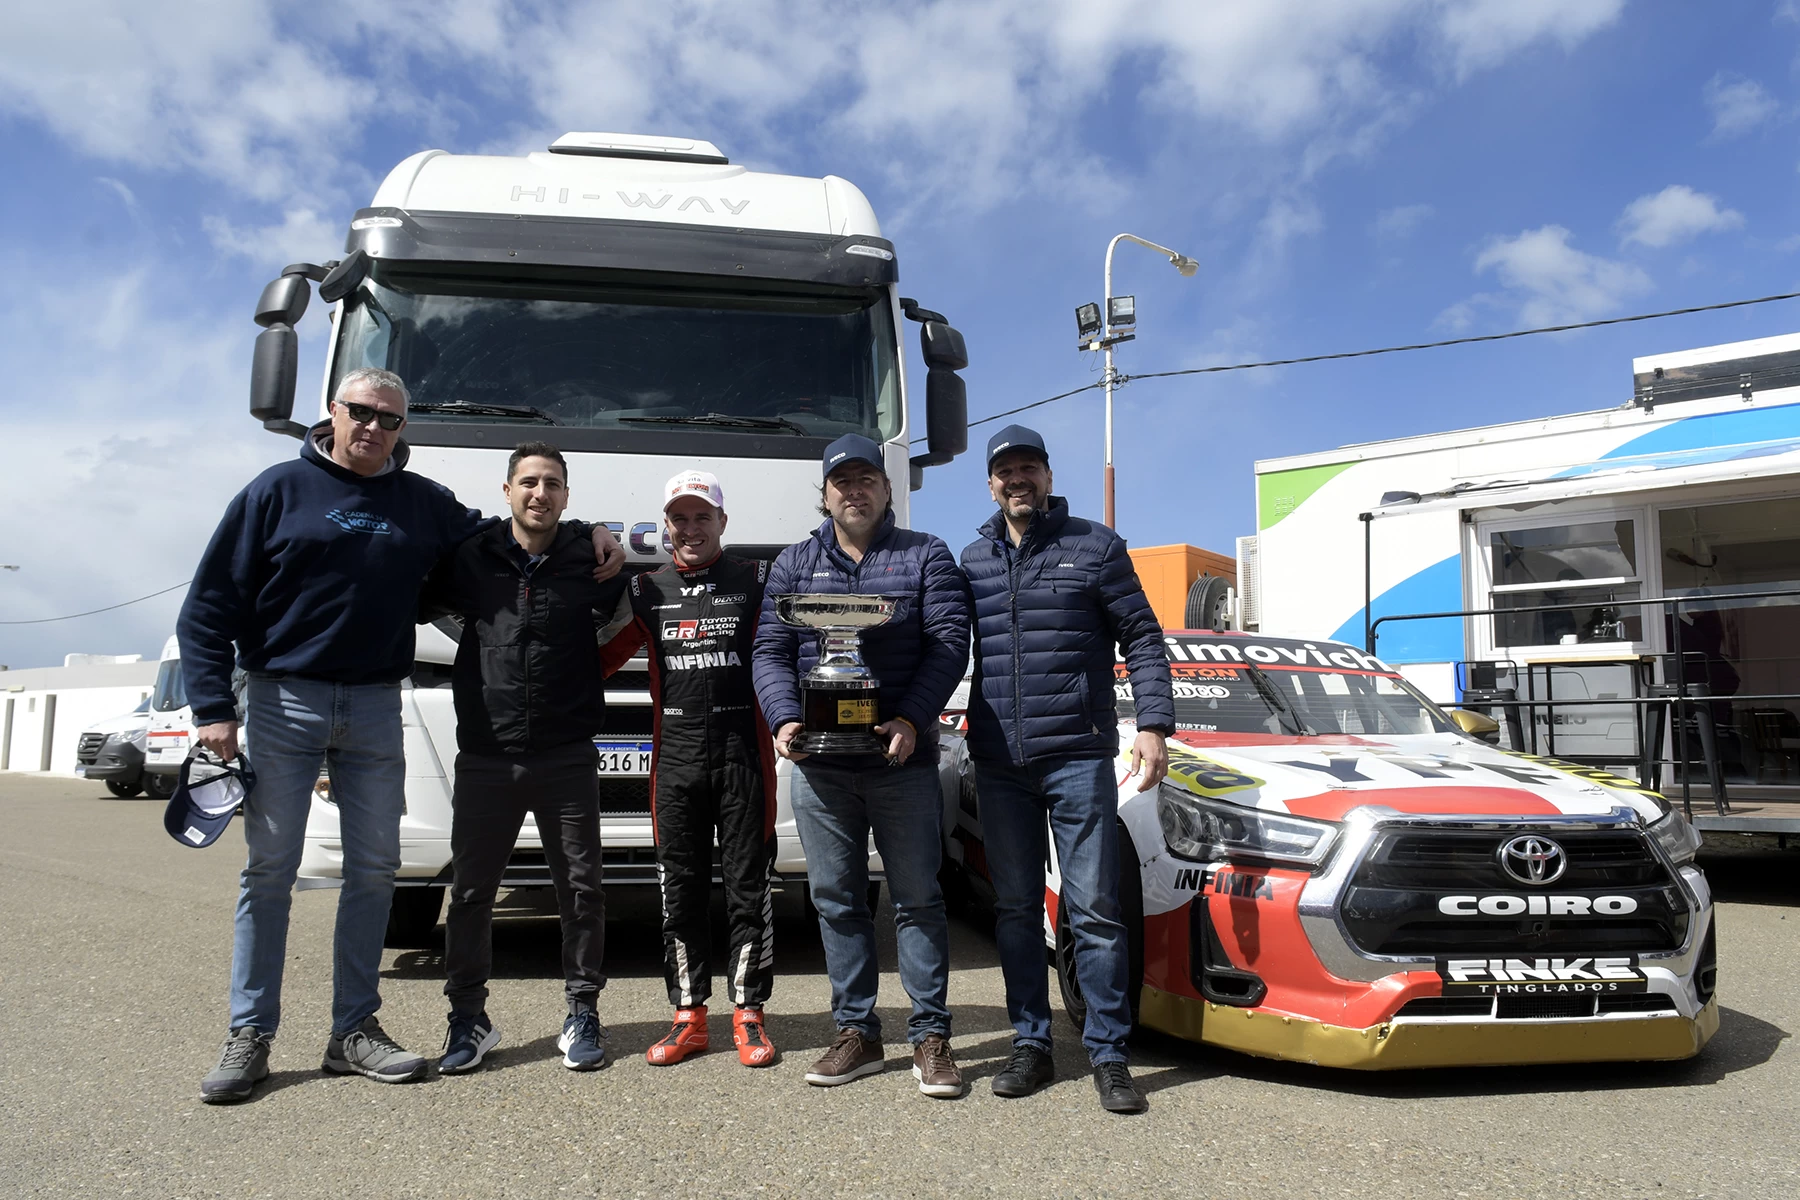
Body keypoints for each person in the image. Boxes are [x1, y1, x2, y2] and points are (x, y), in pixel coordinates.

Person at [178, 367, 623, 1104]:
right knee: (271, 870)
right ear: (333, 412)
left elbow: (513, 533)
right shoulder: (274, 491)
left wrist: (593, 530)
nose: (373, 427)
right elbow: (209, 604)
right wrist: (211, 708)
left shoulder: (423, 502)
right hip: (284, 699)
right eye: (361, 412)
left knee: (375, 872)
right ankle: (250, 1033)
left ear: (401, 429)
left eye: (388, 419)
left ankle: (353, 1031)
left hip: (377, 703)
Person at [957, 424, 1174, 1116]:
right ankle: (1031, 1043)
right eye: (1005, 471)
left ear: (1048, 476)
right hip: (999, 762)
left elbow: (1143, 636)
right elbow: (940, 644)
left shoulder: (1096, 546)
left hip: (1078, 755)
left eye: (1029, 467)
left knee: (1096, 910)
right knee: (1017, 911)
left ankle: (1109, 1054)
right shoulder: (973, 559)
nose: (1017, 479)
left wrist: (1153, 724)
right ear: (991, 484)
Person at [751, 434, 972, 1098]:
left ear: (885, 488)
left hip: (902, 762)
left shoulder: (926, 553)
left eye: (866, 479)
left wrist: (910, 719)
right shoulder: (794, 562)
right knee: (836, 901)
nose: (854, 490)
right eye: (841, 481)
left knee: (918, 899)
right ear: (824, 494)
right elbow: (769, 649)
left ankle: (930, 1035)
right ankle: (857, 1032)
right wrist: (783, 717)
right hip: (820, 769)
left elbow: (948, 643)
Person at [418, 442, 627, 1074]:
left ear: (566, 495)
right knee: (472, 894)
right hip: (488, 756)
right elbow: (418, 598)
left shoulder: (589, 558)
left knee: (582, 891)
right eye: (529, 482)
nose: (541, 493)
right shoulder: (471, 557)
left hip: (567, 755)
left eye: (553, 484)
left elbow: (625, 619)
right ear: (507, 491)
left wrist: (597, 531)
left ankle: (583, 1011)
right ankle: (467, 1019)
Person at [599, 469, 780, 1068]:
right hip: (674, 759)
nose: (691, 527)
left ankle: (749, 1015)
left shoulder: (756, 579)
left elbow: (792, 650)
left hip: (744, 755)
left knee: (749, 888)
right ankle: (689, 1017)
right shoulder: (645, 589)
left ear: (722, 521)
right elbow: (597, 658)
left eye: (703, 516)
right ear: (666, 525)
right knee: (680, 890)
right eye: (680, 517)